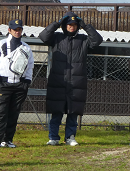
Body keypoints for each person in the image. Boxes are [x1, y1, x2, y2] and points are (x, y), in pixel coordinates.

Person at [39, 12, 103, 146]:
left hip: (76, 82)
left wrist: (85, 26)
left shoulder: (83, 40)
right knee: (56, 112)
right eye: (68, 24)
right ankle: (53, 137)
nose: (71, 27)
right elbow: (43, 37)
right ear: (64, 26)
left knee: (73, 112)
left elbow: (97, 40)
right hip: (58, 81)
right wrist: (56, 23)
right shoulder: (56, 38)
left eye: (74, 24)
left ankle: (70, 137)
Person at [0, 19, 34, 148]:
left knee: (14, 113)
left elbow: (30, 66)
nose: (17, 32)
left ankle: (7, 140)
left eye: (19, 29)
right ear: (9, 30)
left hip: (19, 85)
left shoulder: (26, 47)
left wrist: (26, 83)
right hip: (4, 83)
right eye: (15, 29)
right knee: (1, 112)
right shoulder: (0, 45)